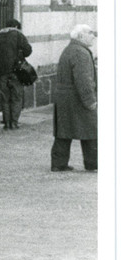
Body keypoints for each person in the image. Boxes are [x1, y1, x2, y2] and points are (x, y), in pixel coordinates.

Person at [51, 25, 97, 172]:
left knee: (63, 131)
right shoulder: (80, 52)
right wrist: (90, 101)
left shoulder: (71, 49)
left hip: (65, 98)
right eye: (91, 33)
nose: (93, 36)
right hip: (76, 98)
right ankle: (93, 163)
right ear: (81, 36)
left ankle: (59, 163)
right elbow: (84, 80)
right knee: (91, 130)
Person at [0, 18, 32, 129]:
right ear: (17, 27)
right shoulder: (18, 35)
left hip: (2, 73)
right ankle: (14, 123)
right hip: (16, 72)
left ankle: (7, 123)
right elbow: (28, 51)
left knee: (5, 98)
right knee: (17, 97)